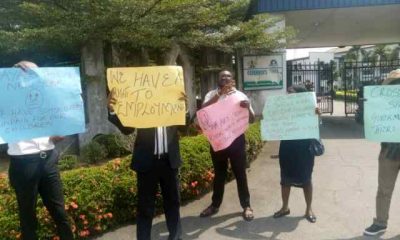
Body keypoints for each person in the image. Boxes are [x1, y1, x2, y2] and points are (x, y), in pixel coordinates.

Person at [107, 90, 189, 240]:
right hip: (146, 163)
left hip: (169, 162)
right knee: (145, 207)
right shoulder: (141, 108)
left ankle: (176, 237)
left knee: (173, 203)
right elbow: (127, 129)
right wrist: (113, 111)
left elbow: (184, 128)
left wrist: (184, 108)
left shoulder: (172, 106)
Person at [7, 61, 73, 240]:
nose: (32, 75)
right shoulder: (6, 98)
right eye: (27, 71)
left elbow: (60, 124)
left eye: (36, 73)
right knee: (28, 217)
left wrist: (59, 134)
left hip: (48, 160)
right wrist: (13, 72)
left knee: (60, 213)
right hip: (23, 164)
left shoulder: (49, 97)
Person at [199, 70, 255, 221]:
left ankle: (246, 206)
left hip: (236, 141)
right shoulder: (211, 95)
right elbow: (202, 111)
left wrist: (248, 107)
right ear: (218, 79)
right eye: (222, 76)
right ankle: (215, 205)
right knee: (219, 175)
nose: (225, 78)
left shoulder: (240, 95)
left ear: (233, 79)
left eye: (228, 76)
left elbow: (252, 119)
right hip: (218, 141)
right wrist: (219, 95)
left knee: (240, 174)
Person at [273, 85, 319, 223]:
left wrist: (317, 115)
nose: (289, 96)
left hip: (304, 149)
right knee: (285, 179)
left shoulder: (310, 109)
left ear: (301, 96)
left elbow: (316, 127)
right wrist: (269, 116)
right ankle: (285, 207)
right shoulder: (284, 110)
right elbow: (274, 122)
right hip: (287, 148)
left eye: (292, 94)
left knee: (306, 179)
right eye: (288, 94)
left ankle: (308, 209)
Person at [364, 69, 400, 236]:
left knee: (383, 190)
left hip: (388, 152)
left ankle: (380, 222)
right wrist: (367, 106)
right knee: (384, 189)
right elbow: (367, 125)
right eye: (393, 84)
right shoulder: (380, 102)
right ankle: (380, 222)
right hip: (388, 152)